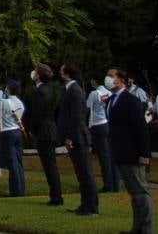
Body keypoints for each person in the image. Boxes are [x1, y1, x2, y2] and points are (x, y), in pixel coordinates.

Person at [107, 68, 154, 234]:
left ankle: (147, 228)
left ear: (121, 80)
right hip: (121, 152)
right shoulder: (112, 100)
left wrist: (144, 154)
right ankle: (137, 227)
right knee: (133, 193)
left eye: (111, 76)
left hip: (133, 153)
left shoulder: (130, 100)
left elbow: (141, 129)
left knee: (140, 192)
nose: (108, 79)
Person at [57, 64, 99, 215]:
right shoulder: (72, 90)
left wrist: (69, 136)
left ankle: (91, 206)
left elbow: (76, 116)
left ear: (67, 74)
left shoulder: (74, 91)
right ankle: (86, 203)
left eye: (62, 71)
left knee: (85, 172)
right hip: (76, 136)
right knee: (82, 173)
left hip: (78, 137)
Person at [24, 63, 63, 206]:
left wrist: (31, 129)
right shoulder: (49, 90)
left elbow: (38, 115)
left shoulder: (40, 92)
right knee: (50, 165)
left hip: (44, 132)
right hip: (50, 129)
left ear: (38, 76)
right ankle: (56, 195)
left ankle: (56, 197)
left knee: (49, 166)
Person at [0, 79, 27, 197]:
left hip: (7, 133)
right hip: (17, 131)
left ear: (9, 89)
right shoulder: (20, 103)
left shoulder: (4, 102)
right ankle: (21, 188)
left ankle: (16, 191)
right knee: (18, 162)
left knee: (12, 163)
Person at [87, 74, 119, 192]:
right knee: (110, 155)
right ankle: (115, 183)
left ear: (95, 81)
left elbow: (87, 107)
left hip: (97, 124)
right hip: (107, 123)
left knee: (103, 156)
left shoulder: (94, 94)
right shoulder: (109, 93)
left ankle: (108, 185)